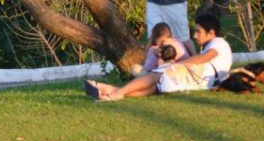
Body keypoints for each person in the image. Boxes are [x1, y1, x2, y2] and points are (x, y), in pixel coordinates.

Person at [84, 14, 232, 101]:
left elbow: (207, 57)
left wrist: (181, 65)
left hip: (202, 77)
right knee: (155, 87)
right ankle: (111, 92)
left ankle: (117, 92)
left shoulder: (218, 42)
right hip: (200, 81)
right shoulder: (212, 44)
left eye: (198, 32)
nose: (194, 35)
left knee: (161, 72)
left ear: (211, 32)